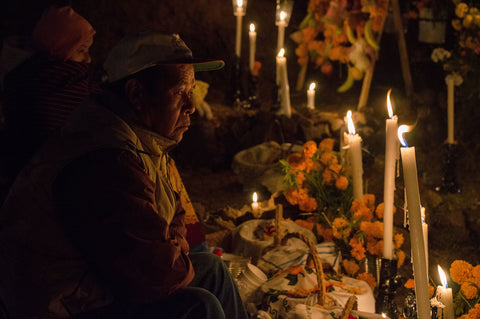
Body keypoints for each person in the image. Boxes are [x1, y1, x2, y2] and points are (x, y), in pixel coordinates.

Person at [0, 32, 247, 319]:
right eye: (180, 91)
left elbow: (174, 217)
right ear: (136, 94)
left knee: (213, 271)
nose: (191, 105)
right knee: (199, 306)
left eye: (192, 90)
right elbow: (158, 275)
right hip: (62, 305)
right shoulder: (106, 158)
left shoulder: (144, 139)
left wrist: (170, 251)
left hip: (99, 283)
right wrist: (170, 253)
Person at [1, 5, 98, 183]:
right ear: (61, 47)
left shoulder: (17, 75)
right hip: (46, 174)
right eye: (81, 50)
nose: (88, 59)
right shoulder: (68, 81)